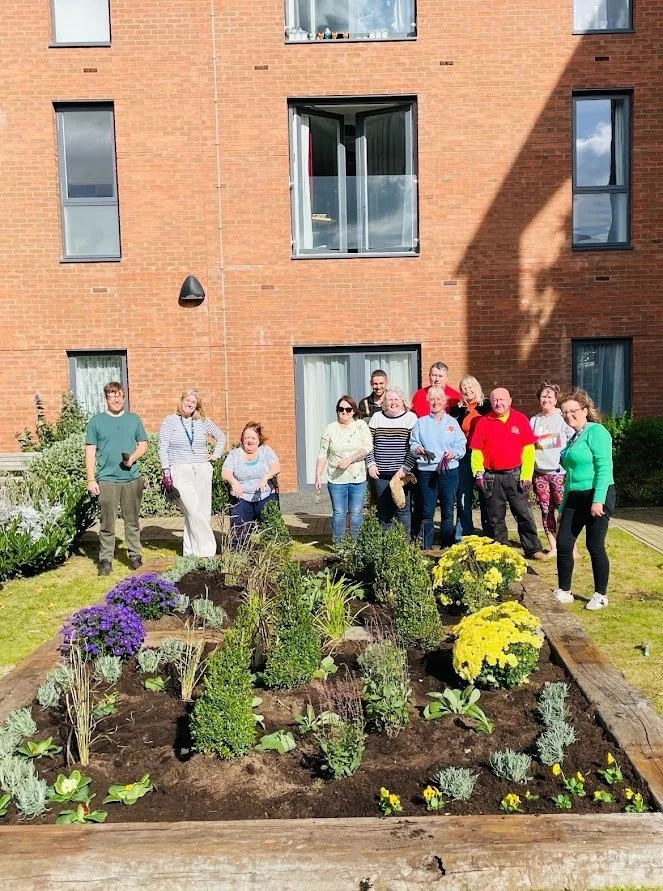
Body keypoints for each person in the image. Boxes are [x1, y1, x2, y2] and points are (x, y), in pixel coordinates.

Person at [553, 389, 615, 611]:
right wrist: (562, 506)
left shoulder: (596, 432)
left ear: (585, 410)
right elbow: (570, 476)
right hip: (575, 496)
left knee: (594, 545)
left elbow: (604, 468)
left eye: (573, 411)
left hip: (597, 493)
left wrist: (598, 500)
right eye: (564, 413)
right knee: (564, 542)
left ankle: (600, 595)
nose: (569, 416)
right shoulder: (573, 438)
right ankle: (565, 590)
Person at [469, 387, 547, 560]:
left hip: (515, 475)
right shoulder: (483, 422)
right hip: (491, 476)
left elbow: (528, 450)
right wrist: (478, 473)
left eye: (502, 399)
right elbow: (476, 451)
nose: (499, 403)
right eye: (495, 400)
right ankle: (501, 551)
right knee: (495, 517)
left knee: (524, 514)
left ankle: (533, 549)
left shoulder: (520, 419)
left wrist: (526, 475)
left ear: (510, 401)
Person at [85, 381, 148, 576]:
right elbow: (90, 451)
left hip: (131, 478)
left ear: (123, 397)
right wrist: (90, 479)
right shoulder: (96, 422)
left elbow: (143, 444)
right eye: (112, 396)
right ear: (106, 399)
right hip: (106, 479)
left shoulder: (134, 419)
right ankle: (105, 560)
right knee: (107, 523)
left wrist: (133, 458)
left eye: (119, 395)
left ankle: (135, 557)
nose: (116, 399)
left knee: (132, 521)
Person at [159, 388, 226, 558]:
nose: (190, 404)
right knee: (193, 511)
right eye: (187, 400)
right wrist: (166, 473)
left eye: (193, 402)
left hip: (202, 468)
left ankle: (190, 553)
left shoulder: (202, 421)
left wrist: (215, 455)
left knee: (202, 512)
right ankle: (208, 551)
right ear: (181, 401)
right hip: (180, 470)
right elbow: (163, 448)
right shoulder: (170, 421)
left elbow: (221, 437)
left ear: (197, 405)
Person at [410, 388, 466, 549]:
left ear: (444, 402)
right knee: (427, 510)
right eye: (432, 399)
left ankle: (446, 546)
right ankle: (426, 547)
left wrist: (453, 453)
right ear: (428, 402)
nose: (435, 402)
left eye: (439, 399)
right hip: (426, 471)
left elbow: (461, 445)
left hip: (448, 470)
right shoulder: (421, 422)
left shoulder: (452, 423)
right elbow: (412, 444)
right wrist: (418, 448)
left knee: (448, 508)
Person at [315, 396, 372, 543]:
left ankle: (355, 544)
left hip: (358, 478)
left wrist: (350, 460)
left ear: (353, 411)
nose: (344, 412)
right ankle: (339, 545)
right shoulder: (330, 428)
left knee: (356, 513)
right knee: (339, 513)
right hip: (336, 479)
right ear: (337, 411)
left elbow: (367, 447)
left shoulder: (361, 426)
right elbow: (322, 454)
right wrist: (317, 476)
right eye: (341, 409)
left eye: (348, 409)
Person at [530, 383, 574, 556]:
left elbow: (573, 440)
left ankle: (569, 546)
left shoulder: (563, 419)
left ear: (555, 400)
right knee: (546, 510)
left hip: (559, 473)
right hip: (540, 473)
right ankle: (554, 547)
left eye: (549, 397)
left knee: (564, 510)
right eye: (543, 396)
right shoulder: (534, 420)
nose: (546, 400)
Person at [366, 387, 417, 535]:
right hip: (380, 473)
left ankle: (404, 546)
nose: (393, 403)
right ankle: (385, 547)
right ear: (384, 402)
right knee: (384, 511)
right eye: (389, 400)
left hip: (401, 474)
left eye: (396, 399)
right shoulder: (377, 418)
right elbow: (368, 444)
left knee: (403, 510)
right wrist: (371, 463)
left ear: (402, 401)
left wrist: (405, 468)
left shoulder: (411, 418)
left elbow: (413, 447)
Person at [222, 422, 281, 542]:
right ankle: (238, 554)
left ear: (259, 440)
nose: (250, 441)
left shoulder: (266, 451)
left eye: (253, 438)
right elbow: (225, 472)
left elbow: (276, 468)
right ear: (242, 439)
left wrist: (266, 477)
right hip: (241, 496)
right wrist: (234, 481)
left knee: (271, 528)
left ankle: (270, 552)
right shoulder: (234, 454)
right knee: (238, 532)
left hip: (265, 495)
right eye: (247, 437)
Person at [451, 375, 492, 539]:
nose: (468, 391)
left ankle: (488, 534)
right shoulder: (456, 410)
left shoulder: (488, 406)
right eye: (464, 389)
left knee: (486, 496)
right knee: (463, 497)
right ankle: (465, 535)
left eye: (471, 387)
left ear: (478, 387)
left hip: (484, 456)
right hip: (465, 456)